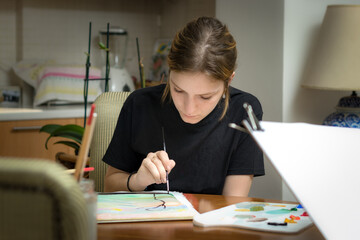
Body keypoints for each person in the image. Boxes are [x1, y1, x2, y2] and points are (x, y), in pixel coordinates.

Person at [103, 16, 264, 196]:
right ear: (169, 71)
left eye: (205, 97)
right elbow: (109, 186)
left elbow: (233, 202)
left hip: (211, 223)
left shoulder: (245, 110)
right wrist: (138, 180)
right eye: (178, 90)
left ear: (229, 81)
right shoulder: (139, 104)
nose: (189, 109)